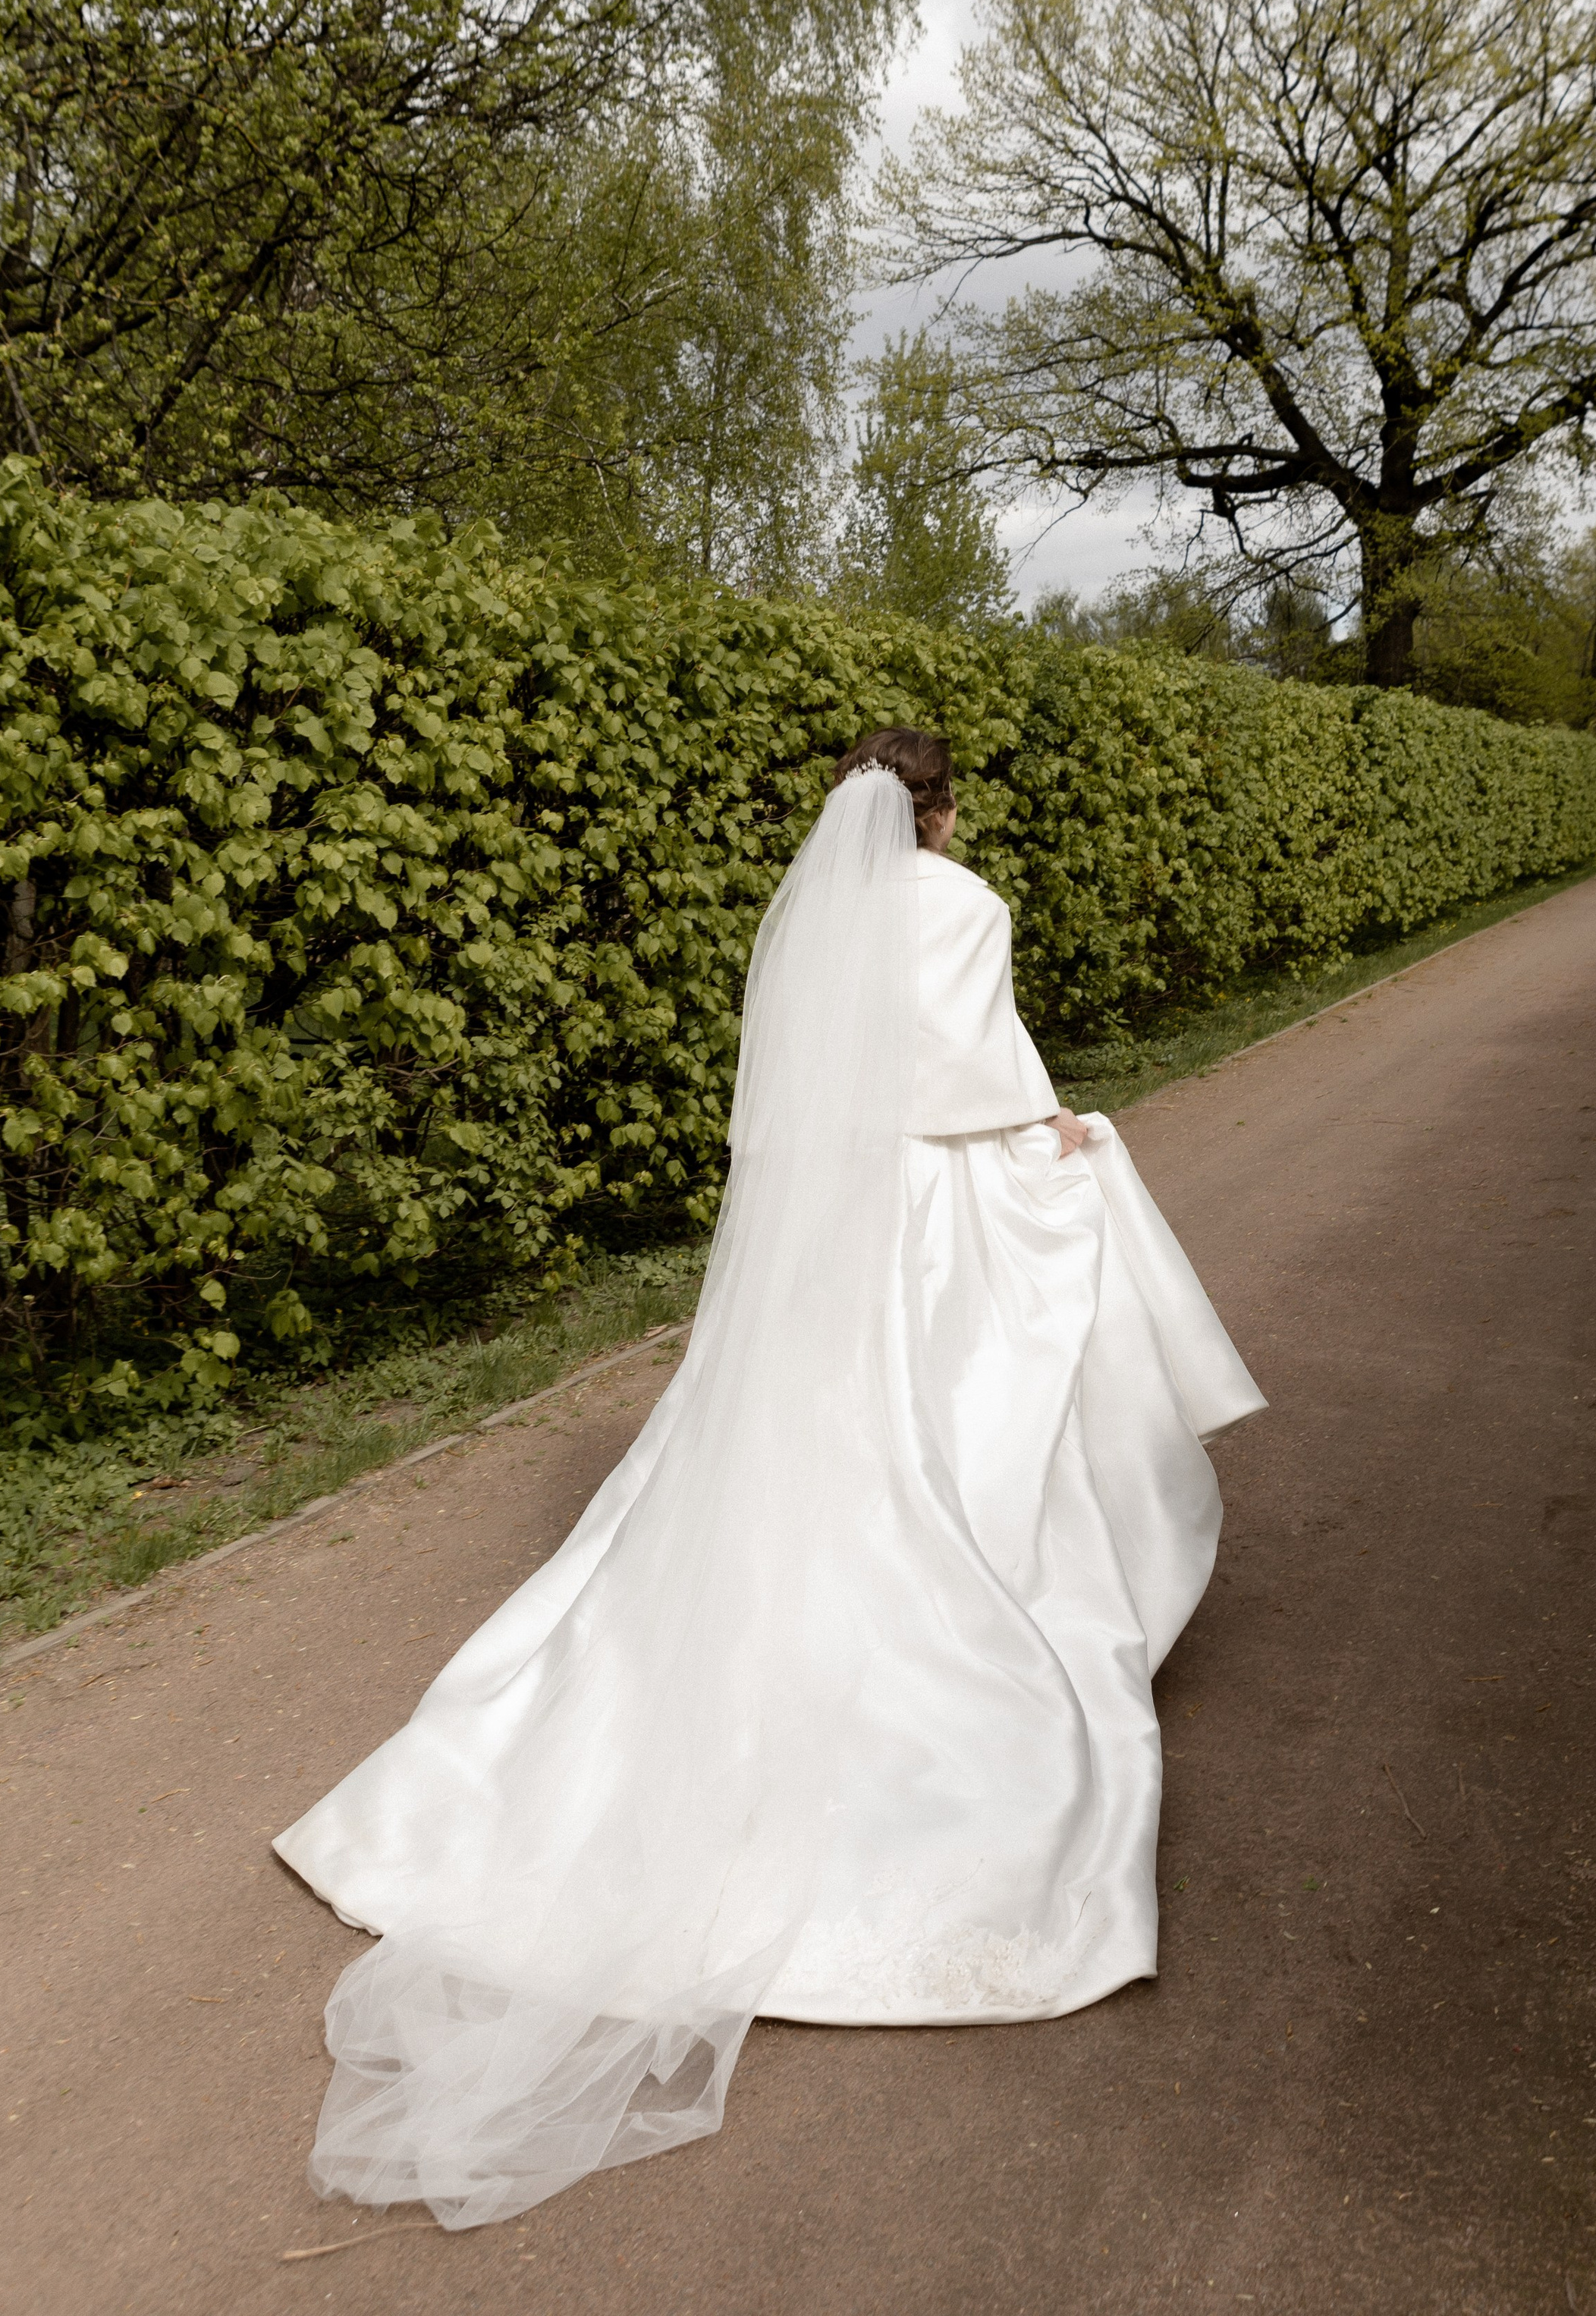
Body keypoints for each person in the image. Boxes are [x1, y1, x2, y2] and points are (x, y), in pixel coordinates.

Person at [274, 727, 1267, 2230]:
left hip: (835, 1228)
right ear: (936, 809)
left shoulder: (811, 919)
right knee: (981, 1416)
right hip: (937, 1219)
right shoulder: (960, 901)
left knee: (802, 1436)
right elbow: (988, 1073)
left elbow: (816, 1100)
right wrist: (1058, 1134)